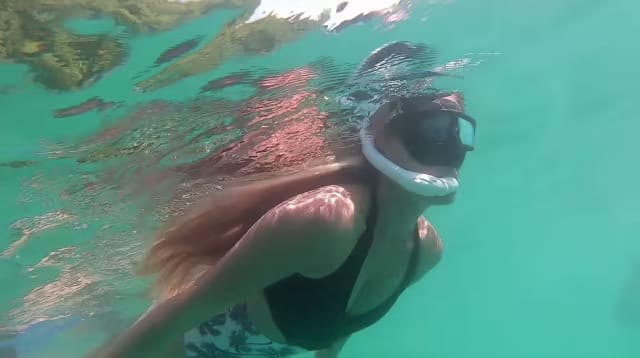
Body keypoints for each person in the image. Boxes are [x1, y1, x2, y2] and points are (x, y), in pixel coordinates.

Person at [92, 86, 477, 358]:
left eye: (459, 130)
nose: (449, 145)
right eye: (433, 128)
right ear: (378, 135)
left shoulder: (426, 252)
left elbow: (339, 325)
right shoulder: (324, 222)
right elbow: (186, 309)